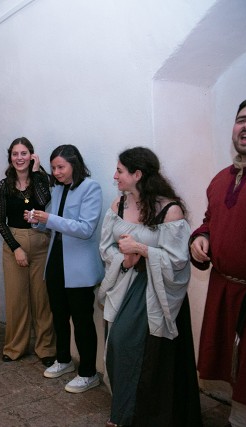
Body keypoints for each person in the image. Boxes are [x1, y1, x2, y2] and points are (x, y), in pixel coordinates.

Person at [98, 147, 201, 426]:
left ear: (137, 174)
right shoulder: (118, 205)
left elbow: (178, 260)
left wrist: (142, 250)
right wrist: (125, 259)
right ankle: (122, 411)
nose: (115, 176)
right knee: (118, 347)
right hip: (125, 282)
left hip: (157, 289)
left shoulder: (169, 210)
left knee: (138, 351)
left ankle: (135, 416)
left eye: (120, 171)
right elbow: (106, 247)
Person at [190, 96, 246, 427]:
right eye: (241, 119)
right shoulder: (220, 179)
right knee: (236, 372)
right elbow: (210, 220)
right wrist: (200, 238)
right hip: (224, 291)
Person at [26, 145, 104, 393]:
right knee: (58, 316)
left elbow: (85, 229)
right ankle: (63, 360)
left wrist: (48, 218)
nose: (56, 172)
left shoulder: (90, 187)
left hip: (79, 267)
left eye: (61, 167)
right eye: (53, 168)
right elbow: (53, 223)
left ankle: (89, 373)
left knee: (82, 322)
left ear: (75, 164)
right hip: (56, 261)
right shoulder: (58, 189)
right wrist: (37, 221)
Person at [0, 137, 56, 367]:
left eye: (24, 153)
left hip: (40, 242)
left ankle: (46, 348)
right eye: (15, 154)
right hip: (14, 242)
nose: (19, 158)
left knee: (42, 299)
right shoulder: (4, 185)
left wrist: (37, 172)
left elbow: (42, 200)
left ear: (31, 156)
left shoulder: (40, 180)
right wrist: (16, 248)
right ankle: (14, 347)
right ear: (10, 157)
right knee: (16, 300)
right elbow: (0, 221)